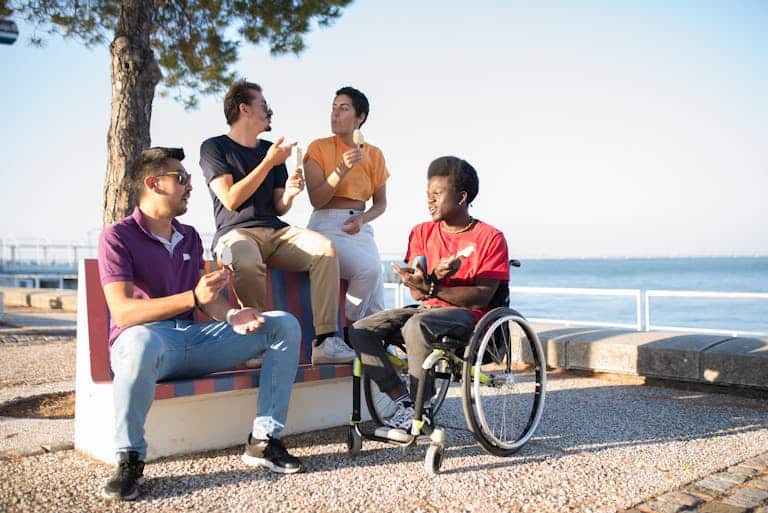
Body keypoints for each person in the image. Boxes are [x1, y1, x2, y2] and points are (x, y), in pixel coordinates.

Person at [99, 147, 304, 502]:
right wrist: (192, 298)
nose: (190, 185)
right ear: (153, 184)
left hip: (191, 341)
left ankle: (263, 441)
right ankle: (130, 457)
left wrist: (231, 314)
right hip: (146, 345)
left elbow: (204, 297)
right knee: (141, 343)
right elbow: (124, 313)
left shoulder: (190, 236)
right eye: (180, 179)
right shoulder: (117, 237)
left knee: (283, 324)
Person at [348, 156, 510, 439]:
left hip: (467, 318)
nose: (430, 201)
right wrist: (425, 279)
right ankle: (405, 403)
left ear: (461, 197)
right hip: (426, 311)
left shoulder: (490, 238)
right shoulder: (421, 233)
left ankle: (419, 413)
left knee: (415, 326)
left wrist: (433, 289)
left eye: (437, 194)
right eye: (428, 195)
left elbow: (481, 297)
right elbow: (416, 291)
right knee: (360, 331)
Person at [200, 80, 354, 365]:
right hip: (233, 237)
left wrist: (291, 194)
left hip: (274, 232)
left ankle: (326, 340)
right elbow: (231, 199)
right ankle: (254, 342)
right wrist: (268, 163)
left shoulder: (271, 151)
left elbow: (278, 207)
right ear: (244, 109)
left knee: (325, 249)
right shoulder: (214, 147)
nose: (270, 111)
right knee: (244, 257)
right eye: (263, 105)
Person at [304, 86, 389, 334]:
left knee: (377, 301)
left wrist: (364, 219)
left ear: (360, 117)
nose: (335, 114)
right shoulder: (317, 148)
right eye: (333, 108)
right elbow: (317, 200)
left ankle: (378, 350)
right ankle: (351, 329)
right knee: (369, 270)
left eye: (344, 108)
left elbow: (381, 203)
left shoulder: (374, 154)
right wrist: (341, 168)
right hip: (327, 225)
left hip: (361, 227)